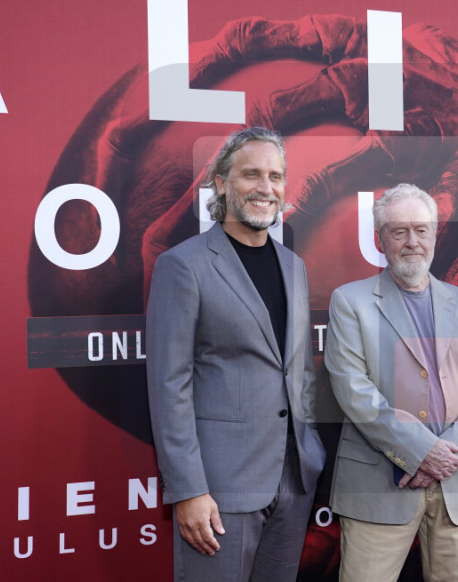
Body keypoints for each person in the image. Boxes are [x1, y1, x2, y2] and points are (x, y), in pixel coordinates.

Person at [146, 126, 326, 582]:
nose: (266, 187)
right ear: (222, 183)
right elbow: (169, 385)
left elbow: (296, 369)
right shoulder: (183, 265)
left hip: (293, 480)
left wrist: (309, 452)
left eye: (275, 176)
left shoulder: (293, 266)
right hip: (219, 487)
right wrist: (188, 489)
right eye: (251, 174)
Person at [324, 183, 458, 582]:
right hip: (379, 487)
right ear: (380, 239)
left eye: (421, 230)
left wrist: (448, 454)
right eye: (399, 231)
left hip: (456, 486)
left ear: (435, 235)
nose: (412, 242)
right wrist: (423, 452)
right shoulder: (350, 302)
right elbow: (353, 390)